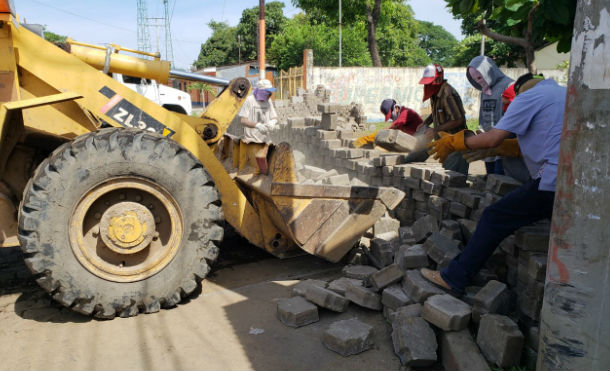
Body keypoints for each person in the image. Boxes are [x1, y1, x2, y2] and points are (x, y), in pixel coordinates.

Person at [421, 73, 564, 294]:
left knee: (494, 217)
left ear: (518, 91)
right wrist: (501, 149)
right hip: (575, 180)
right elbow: (547, 138)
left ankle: (454, 277)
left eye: (509, 100)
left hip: (553, 179)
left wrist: (455, 142)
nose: (508, 104)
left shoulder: (528, 97)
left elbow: (492, 137)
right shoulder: (563, 94)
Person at [418, 64, 469, 175]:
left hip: (456, 145)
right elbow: (437, 111)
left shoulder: (447, 94)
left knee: (454, 181)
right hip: (445, 145)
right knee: (447, 178)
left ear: (439, 79)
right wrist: (425, 123)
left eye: (430, 82)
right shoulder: (435, 93)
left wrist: (435, 130)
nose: (428, 85)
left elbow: (458, 120)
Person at [466, 56, 513, 175]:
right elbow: (483, 113)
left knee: (500, 177)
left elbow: (514, 118)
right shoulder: (484, 90)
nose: (479, 81)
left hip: (503, 143)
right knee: (490, 177)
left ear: (488, 71)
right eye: (475, 80)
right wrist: (480, 129)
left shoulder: (509, 85)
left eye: (480, 77)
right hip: (487, 144)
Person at [353, 99, 422, 148]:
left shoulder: (405, 113)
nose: (391, 118)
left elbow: (387, 130)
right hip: (411, 142)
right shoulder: (400, 117)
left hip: (420, 142)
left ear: (396, 108)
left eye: (391, 115)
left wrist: (365, 139)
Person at [239, 79, 279, 143]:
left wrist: (273, 122)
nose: (270, 94)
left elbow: (275, 117)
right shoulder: (250, 100)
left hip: (266, 141)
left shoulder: (269, 101)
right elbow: (243, 120)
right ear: (262, 92)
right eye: (268, 92)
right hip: (251, 141)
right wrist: (257, 125)